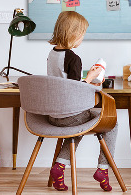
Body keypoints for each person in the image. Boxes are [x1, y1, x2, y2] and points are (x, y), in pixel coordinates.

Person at [47, 11, 117, 192]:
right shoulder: (73, 58)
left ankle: (59, 167)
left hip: (53, 115)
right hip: (70, 115)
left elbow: (64, 83)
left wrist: (86, 78)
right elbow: (75, 90)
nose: (82, 38)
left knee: (77, 126)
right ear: (73, 34)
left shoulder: (52, 54)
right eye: (82, 34)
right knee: (112, 123)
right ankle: (103, 169)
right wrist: (92, 77)